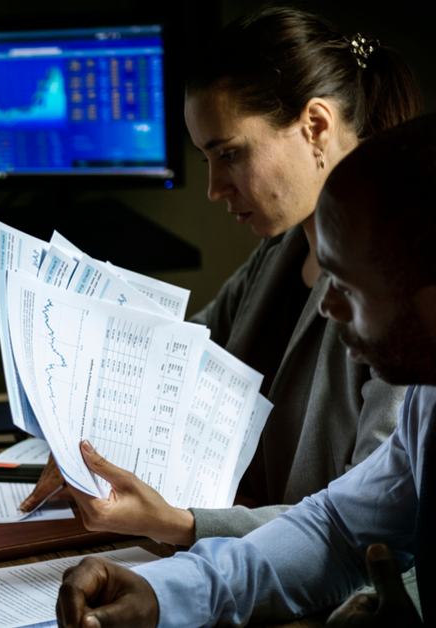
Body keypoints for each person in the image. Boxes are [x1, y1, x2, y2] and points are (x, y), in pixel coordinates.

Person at [18, 7, 422, 546]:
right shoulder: (278, 254)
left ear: (316, 127)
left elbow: (369, 523)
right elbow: (178, 358)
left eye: (230, 155)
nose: (213, 189)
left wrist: (180, 525)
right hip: (243, 568)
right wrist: (83, 438)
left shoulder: (403, 291)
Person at [54, 110, 436, 628]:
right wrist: (163, 594)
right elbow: (340, 529)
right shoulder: (425, 397)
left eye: (348, 288)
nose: (328, 308)